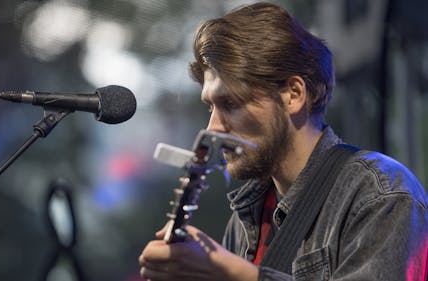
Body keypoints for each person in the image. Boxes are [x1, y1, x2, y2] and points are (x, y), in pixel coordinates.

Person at [138, 2, 428, 280]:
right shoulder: (245, 217)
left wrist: (232, 273)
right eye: (210, 107)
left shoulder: (381, 194)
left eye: (231, 103)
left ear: (293, 94)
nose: (213, 126)